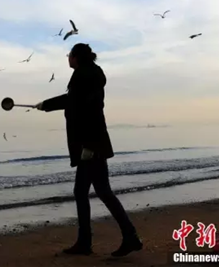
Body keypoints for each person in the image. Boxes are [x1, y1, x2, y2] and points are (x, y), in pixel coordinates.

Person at [34, 43, 142, 257]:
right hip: (91, 145)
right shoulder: (88, 75)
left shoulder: (85, 76)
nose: (68, 59)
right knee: (90, 192)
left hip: (90, 146)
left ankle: (112, 239)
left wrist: (90, 147)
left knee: (100, 192)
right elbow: (73, 101)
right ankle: (98, 240)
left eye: (69, 55)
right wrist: (45, 104)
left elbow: (90, 112)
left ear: (76, 57)